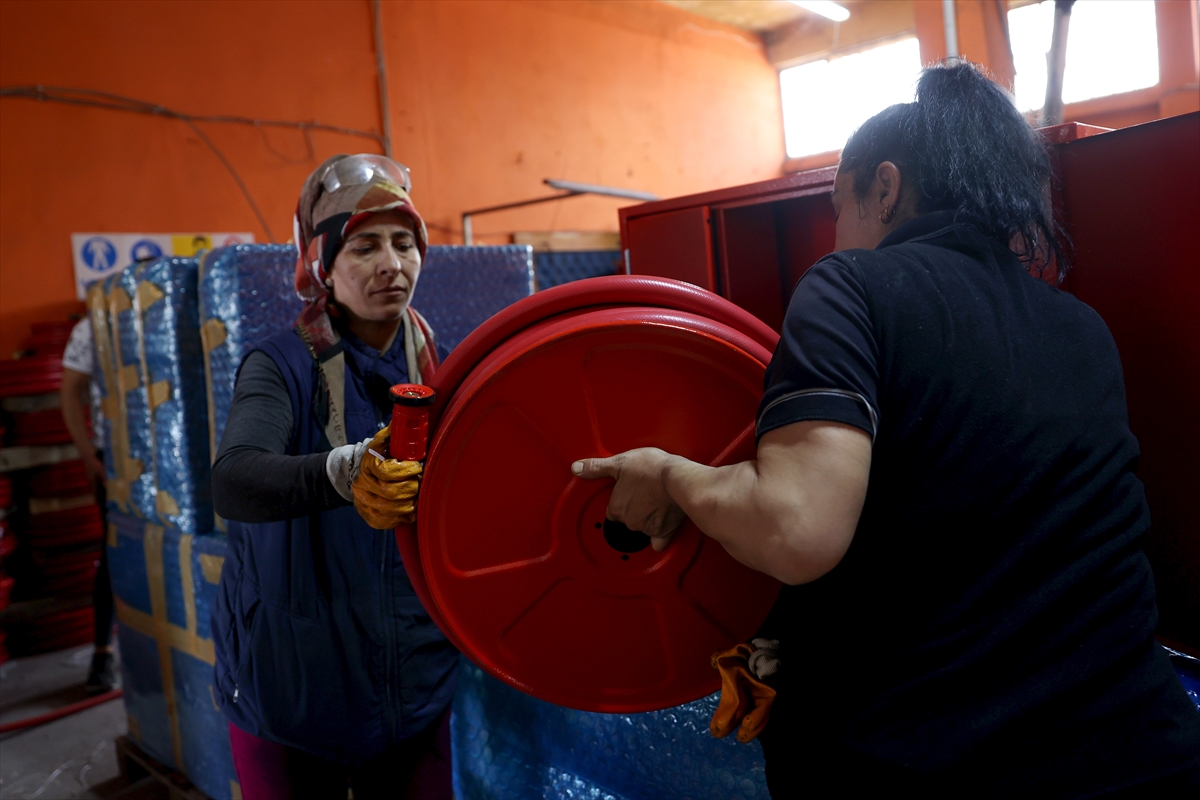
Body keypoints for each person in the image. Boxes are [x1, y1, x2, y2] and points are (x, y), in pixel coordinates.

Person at [574, 62, 1200, 796]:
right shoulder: (1080, 325)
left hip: (937, 765)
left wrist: (672, 475)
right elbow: (962, 520)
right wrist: (789, 637)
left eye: (841, 204)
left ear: (887, 187)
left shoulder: (851, 286)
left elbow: (797, 528)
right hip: (1143, 753)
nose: (839, 232)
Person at [210, 154, 458, 800]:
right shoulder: (282, 366)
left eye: (405, 243)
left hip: (413, 691)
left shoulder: (440, 369)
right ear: (322, 264)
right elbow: (235, 479)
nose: (391, 263)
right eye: (364, 245)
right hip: (291, 694)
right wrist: (342, 471)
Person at [60, 317, 117, 695]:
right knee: (113, 549)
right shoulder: (91, 326)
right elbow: (70, 390)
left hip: (163, 453)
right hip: (110, 455)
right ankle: (103, 652)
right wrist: (86, 456)